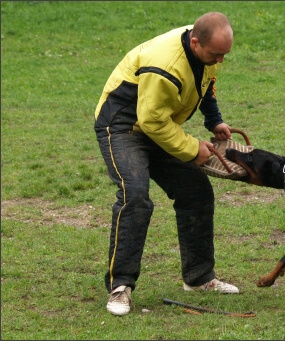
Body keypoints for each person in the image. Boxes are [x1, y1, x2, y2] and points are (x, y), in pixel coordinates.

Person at [94, 12, 239, 317]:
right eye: (215, 55)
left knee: (196, 190)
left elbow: (206, 81)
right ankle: (120, 286)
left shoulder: (205, 52)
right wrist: (191, 148)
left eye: (224, 55)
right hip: (123, 125)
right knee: (135, 195)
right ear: (195, 42)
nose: (220, 62)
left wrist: (214, 120)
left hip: (159, 123)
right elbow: (150, 121)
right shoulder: (165, 65)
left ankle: (199, 278)